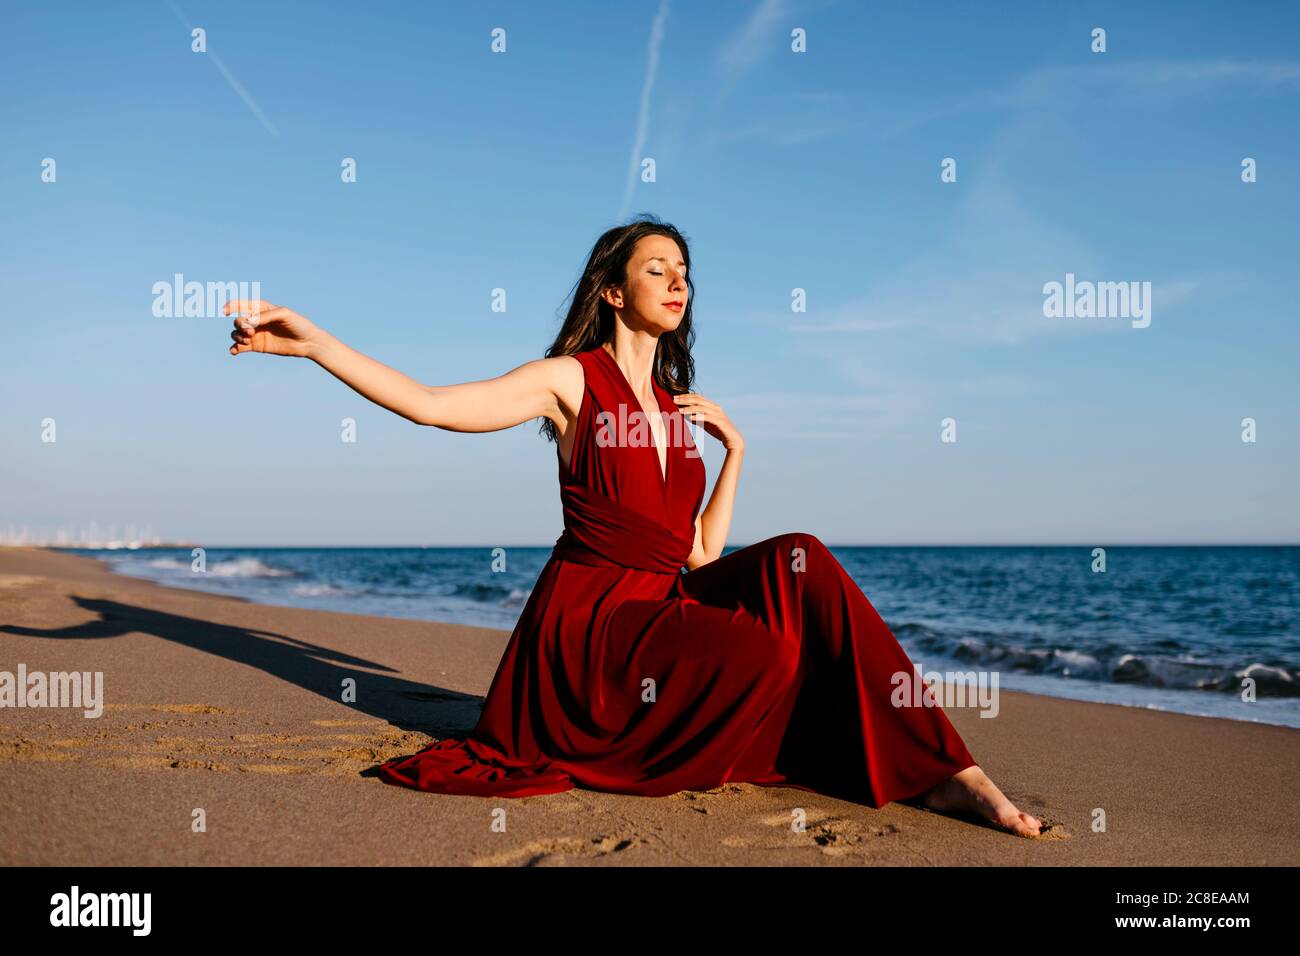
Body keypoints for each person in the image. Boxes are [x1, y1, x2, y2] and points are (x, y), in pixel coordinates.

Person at [225, 215, 1043, 837]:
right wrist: (317, 347)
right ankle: (860, 753)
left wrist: (737, 455)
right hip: (598, 630)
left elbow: (698, 552)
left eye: (684, 270)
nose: (677, 281)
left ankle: (947, 768)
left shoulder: (677, 407)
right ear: (613, 291)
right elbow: (434, 407)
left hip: (663, 598)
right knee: (766, 650)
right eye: (657, 268)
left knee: (801, 558)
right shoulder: (571, 381)